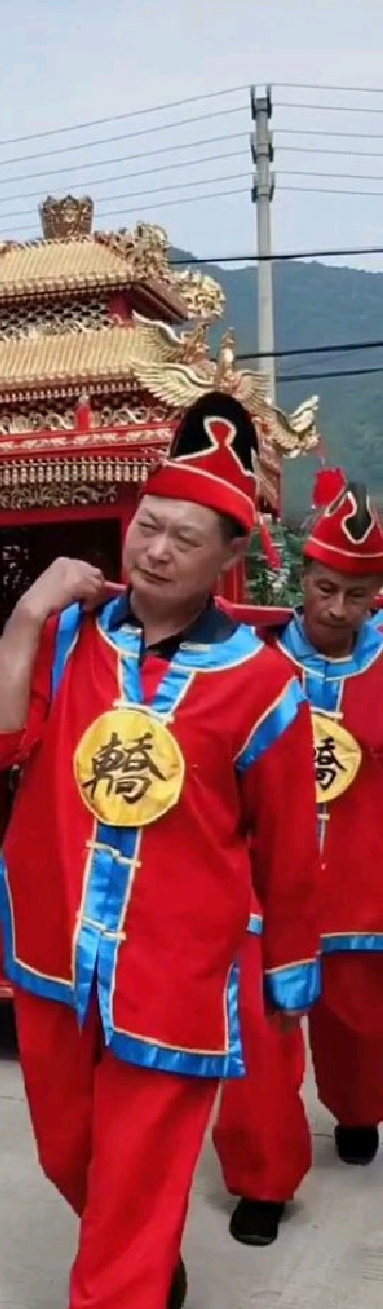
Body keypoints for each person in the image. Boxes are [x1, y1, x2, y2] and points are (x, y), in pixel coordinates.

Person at [0, 394, 321, 1309]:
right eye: (146, 522)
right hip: (56, 955)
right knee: (68, 1153)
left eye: (184, 535)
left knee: (130, 1182)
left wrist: (284, 976)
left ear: (229, 558)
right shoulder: (69, 637)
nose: (155, 547)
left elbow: (288, 854)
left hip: (178, 972)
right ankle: (145, 1262)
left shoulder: (264, 689)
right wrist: (27, 614)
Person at [214, 475, 383, 1244]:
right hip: (261, 890)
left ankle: (357, 1109)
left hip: (359, 890)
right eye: (324, 588)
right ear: (299, 579)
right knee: (260, 1039)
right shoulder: (250, 666)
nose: (336, 609)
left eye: (357, 594)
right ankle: (262, 1179)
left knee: (359, 1029)